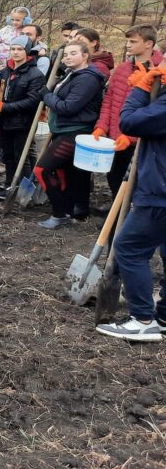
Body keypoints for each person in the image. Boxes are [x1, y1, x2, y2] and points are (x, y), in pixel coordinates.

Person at [95, 63, 166, 342]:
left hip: (160, 191)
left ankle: (143, 320)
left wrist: (140, 90)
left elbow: (130, 122)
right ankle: (163, 317)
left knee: (129, 248)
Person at [34, 40, 106, 229]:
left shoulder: (88, 79)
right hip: (62, 129)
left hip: (75, 132)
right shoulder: (71, 74)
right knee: (63, 172)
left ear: (85, 56)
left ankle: (59, 213)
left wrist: (47, 96)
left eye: (73, 53)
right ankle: (65, 210)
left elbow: (68, 107)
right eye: (66, 54)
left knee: (42, 169)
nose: (67, 57)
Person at [94, 25, 163, 198]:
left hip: (139, 140)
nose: (128, 45)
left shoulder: (158, 71)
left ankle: (125, 211)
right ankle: (116, 210)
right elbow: (109, 100)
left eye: (133, 41)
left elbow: (155, 113)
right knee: (113, 177)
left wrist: (130, 137)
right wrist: (101, 127)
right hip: (115, 136)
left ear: (148, 43)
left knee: (132, 182)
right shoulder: (122, 69)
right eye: (128, 41)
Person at [0, 37, 46, 191]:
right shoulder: (5, 72)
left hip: (23, 123)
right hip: (4, 121)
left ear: (27, 51)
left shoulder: (35, 75)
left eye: (20, 49)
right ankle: (9, 184)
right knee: (7, 155)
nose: (15, 52)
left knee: (21, 156)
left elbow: (32, 101)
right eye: (13, 49)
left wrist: (5, 107)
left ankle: (22, 187)